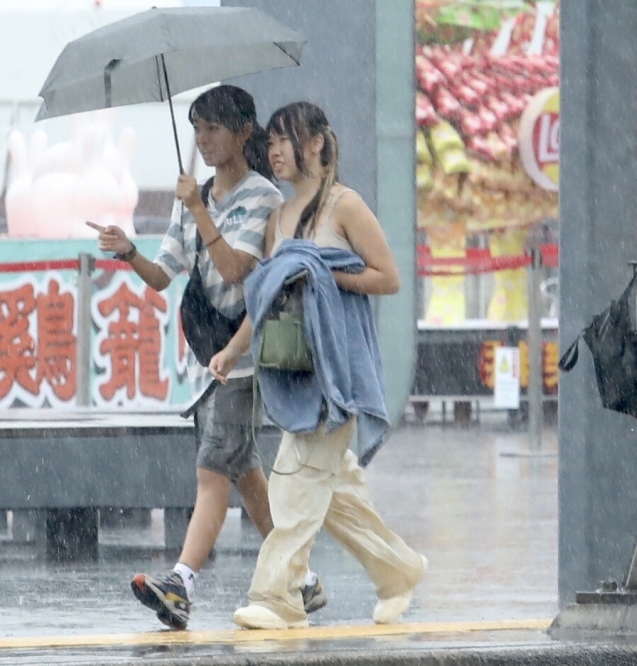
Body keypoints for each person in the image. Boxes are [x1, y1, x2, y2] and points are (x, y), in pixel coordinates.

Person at [89, 86, 326, 631]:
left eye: (214, 127)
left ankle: (181, 584)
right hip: (211, 356)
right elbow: (161, 276)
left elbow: (238, 269)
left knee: (210, 471)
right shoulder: (190, 198)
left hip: (247, 353)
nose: (203, 138)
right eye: (197, 128)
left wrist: (200, 206)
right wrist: (127, 249)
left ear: (245, 132)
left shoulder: (262, 197)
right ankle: (304, 580)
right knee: (242, 471)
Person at [208, 102, 427, 630]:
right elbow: (264, 299)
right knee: (332, 497)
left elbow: (388, 278)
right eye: (272, 142)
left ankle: (278, 595)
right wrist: (234, 349)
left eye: (284, 140)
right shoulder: (279, 218)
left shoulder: (345, 206)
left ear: (315, 144)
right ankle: (398, 569)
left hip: (338, 372)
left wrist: (325, 277)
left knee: (292, 483)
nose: (274, 151)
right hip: (295, 370)